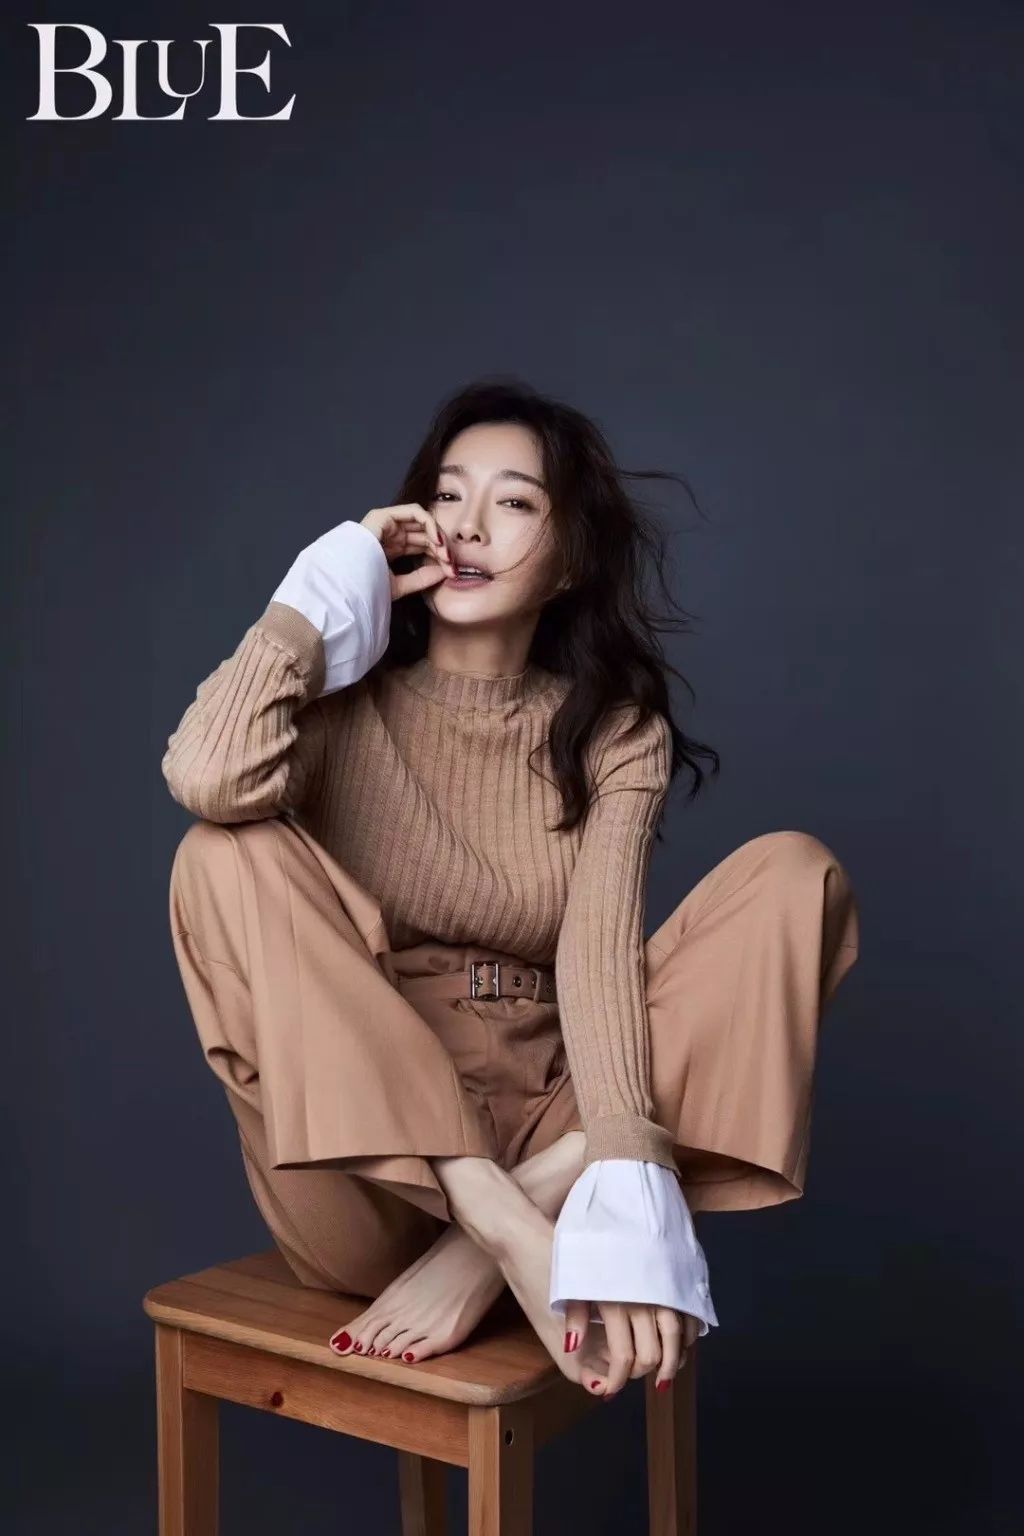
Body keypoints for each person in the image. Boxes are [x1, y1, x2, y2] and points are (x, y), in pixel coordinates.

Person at [161, 377, 860, 1400]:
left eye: (516, 501)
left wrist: (586, 1161)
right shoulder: (337, 710)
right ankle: (495, 1216)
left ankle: (510, 1219)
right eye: (447, 496)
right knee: (218, 851)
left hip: (554, 1113)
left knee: (795, 874)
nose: (468, 527)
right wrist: (324, 588)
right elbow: (206, 777)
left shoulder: (613, 732)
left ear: (569, 557)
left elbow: (597, 957)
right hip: (362, 1157)